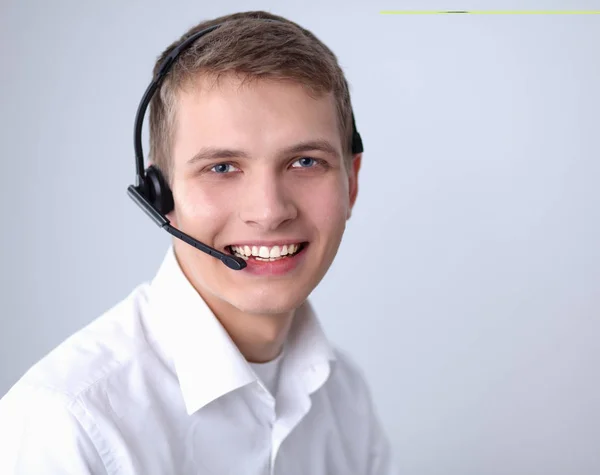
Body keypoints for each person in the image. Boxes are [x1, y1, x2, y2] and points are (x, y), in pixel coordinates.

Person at [0, 10, 396, 474]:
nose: (269, 211)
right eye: (222, 167)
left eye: (305, 162)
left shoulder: (343, 396)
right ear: (158, 196)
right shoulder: (68, 425)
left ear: (351, 183)